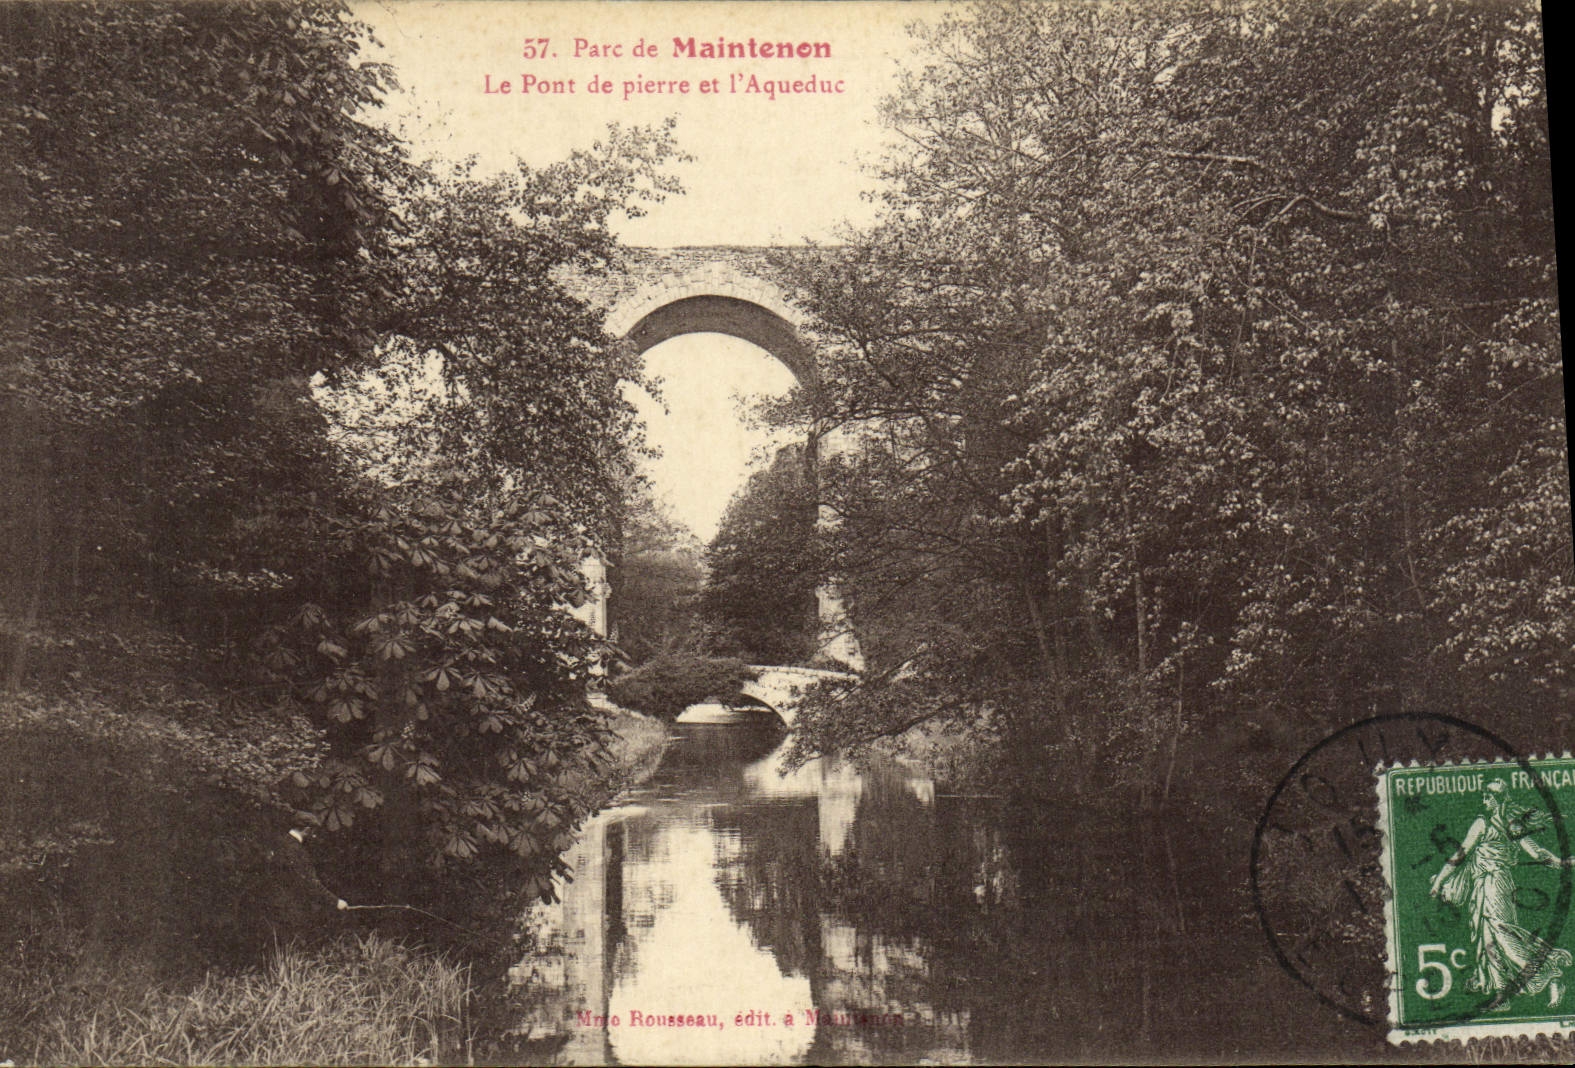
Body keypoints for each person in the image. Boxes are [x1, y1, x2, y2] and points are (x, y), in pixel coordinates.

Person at [1429, 779, 1575, 1008]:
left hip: (1496, 884)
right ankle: (1501, 993)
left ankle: (1550, 976)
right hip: (1484, 885)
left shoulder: (1490, 823)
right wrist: (1439, 880)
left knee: (1503, 935)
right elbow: (1462, 854)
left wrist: (1562, 862)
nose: (1484, 801)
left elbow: (1533, 851)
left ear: (1497, 800)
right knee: (1487, 936)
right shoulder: (1506, 824)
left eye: (1488, 797)